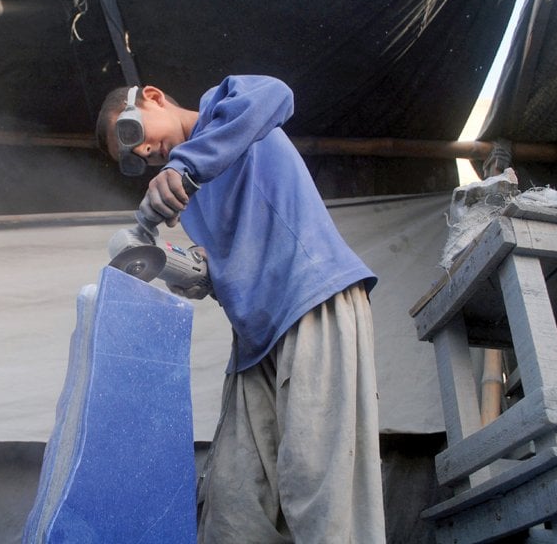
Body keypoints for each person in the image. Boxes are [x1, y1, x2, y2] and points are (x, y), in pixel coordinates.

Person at [96, 75, 386, 544]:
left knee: (323, 495)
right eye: (131, 160)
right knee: (231, 506)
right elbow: (225, 267)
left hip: (310, 301)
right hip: (253, 346)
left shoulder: (225, 108)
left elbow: (278, 94)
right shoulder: (188, 203)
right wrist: (182, 269)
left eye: (133, 134)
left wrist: (186, 167)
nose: (144, 153)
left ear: (151, 97)